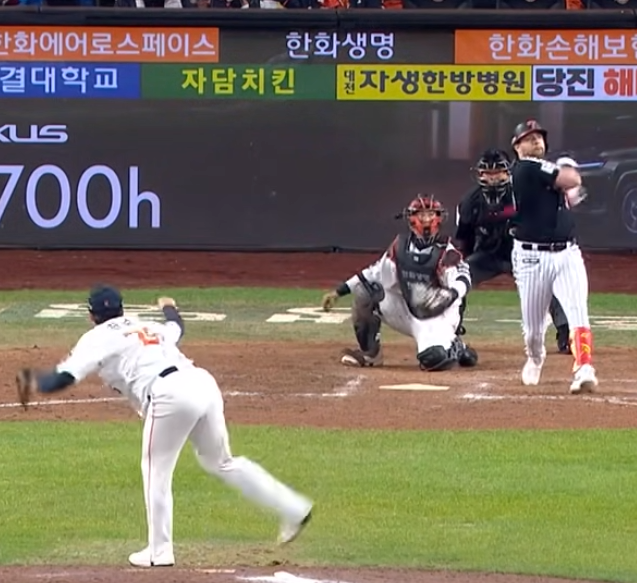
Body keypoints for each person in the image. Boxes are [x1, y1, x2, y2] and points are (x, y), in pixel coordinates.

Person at [15, 285, 313, 568]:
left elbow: (63, 378)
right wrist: (170, 307)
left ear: (91, 315)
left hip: (169, 394)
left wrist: (31, 380)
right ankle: (294, 508)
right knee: (222, 462)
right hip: (202, 383)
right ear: (121, 308)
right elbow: (177, 327)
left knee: (155, 470)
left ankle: (159, 552)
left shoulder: (95, 338)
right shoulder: (145, 325)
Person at [321, 195, 478, 372]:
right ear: (411, 218)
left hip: (435, 316)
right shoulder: (399, 247)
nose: (426, 219)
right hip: (406, 309)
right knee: (365, 292)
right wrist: (339, 292)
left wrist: (451, 294)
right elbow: (373, 273)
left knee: (433, 359)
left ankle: (455, 346)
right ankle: (370, 355)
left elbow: (463, 278)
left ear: (439, 218)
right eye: (421, 214)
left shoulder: (448, 252)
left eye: (430, 214)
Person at [508, 120, 597, 394]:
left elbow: (570, 192)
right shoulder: (525, 168)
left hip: (567, 253)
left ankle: (584, 368)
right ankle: (535, 357)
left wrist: (567, 188)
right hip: (531, 258)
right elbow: (571, 179)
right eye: (529, 138)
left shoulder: (543, 172)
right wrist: (568, 168)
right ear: (517, 146)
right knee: (533, 331)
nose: (536, 141)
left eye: (539, 137)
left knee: (578, 312)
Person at [454, 148, 571, 354]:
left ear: (508, 173)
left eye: (497, 172)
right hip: (488, 255)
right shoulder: (469, 202)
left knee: (549, 280)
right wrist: (465, 267)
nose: (492, 178)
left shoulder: (523, 194)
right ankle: (449, 331)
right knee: (455, 279)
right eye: (487, 173)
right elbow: (465, 241)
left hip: (522, 253)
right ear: (479, 174)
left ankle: (566, 333)